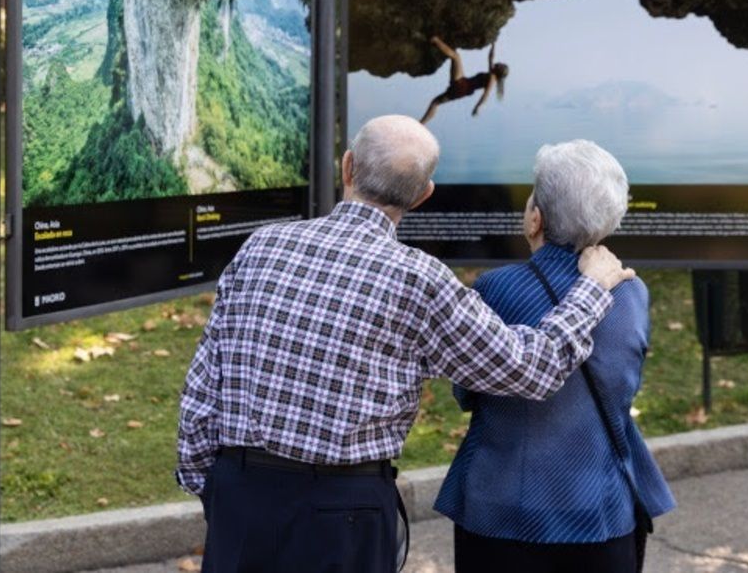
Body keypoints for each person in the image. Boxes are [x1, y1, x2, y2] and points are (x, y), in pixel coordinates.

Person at [177, 115, 636, 573]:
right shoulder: (420, 279)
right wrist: (593, 289)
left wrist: (214, 488)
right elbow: (531, 369)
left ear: (348, 168)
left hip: (240, 495)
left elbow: (202, 385)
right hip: (346, 515)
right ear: (422, 195)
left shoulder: (261, 247)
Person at [435, 141, 675, 572]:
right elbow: (624, 386)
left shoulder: (495, 289)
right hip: (600, 510)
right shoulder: (631, 292)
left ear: (535, 218)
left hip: (499, 511)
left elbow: (467, 391)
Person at [420, 36, 509, 124]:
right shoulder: (491, 75)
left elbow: (486, 94)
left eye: (500, 65)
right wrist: (493, 44)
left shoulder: (492, 78)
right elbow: (491, 58)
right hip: (461, 90)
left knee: (456, 56)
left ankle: (435, 39)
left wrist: (477, 107)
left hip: (462, 85)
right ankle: (422, 124)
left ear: (499, 70)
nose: (498, 63)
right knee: (435, 103)